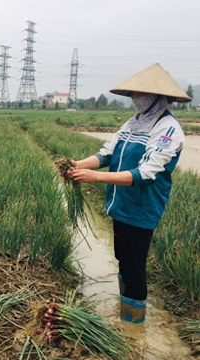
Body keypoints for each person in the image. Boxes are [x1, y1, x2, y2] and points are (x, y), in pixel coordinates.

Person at [69, 63, 191, 324]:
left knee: (134, 268)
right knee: (122, 260)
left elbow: (146, 174)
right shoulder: (134, 122)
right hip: (120, 204)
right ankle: (124, 309)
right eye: (132, 93)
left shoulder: (167, 128)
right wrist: (79, 165)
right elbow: (107, 153)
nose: (134, 98)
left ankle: (133, 325)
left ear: (156, 96)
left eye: (138, 93)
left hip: (141, 209)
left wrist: (96, 177)